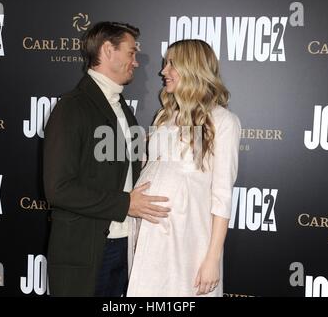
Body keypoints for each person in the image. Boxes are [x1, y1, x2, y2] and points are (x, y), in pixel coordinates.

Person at [43, 21, 170, 297]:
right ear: (108, 51)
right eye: (131, 53)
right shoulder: (71, 107)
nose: (136, 62)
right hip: (86, 252)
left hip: (125, 245)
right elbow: (58, 189)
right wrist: (126, 203)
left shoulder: (122, 107)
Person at [127, 39, 241, 297]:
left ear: (192, 68)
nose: (163, 71)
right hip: (147, 233)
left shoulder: (223, 121)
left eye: (171, 64)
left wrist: (212, 259)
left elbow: (222, 196)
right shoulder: (165, 116)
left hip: (188, 239)